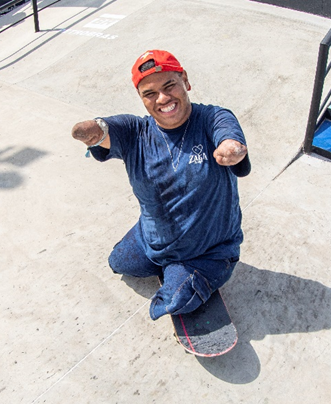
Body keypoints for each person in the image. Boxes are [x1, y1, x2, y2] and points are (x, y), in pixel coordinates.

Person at [71, 50, 251, 320]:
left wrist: (232, 148)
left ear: (185, 80)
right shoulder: (135, 132)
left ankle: (203, 271)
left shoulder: (212, 118)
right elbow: (106, 129)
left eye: (169, 86)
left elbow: (228, 133)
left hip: (207, 250)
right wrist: (93, 132)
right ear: (141, 98)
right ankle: (169, 268)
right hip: (152, 239)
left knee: (174, 303)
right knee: (117, 263)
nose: (163, 98)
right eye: (150, 93)